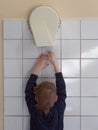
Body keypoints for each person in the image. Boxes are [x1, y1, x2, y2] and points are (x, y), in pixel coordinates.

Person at [25, 51, 67, 130]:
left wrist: (39, 67)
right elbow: (62, 90)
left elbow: (29, 90)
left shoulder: (35, 112)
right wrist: (55, 64)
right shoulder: (58, 111)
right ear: (56, 98)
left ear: (36, 98)